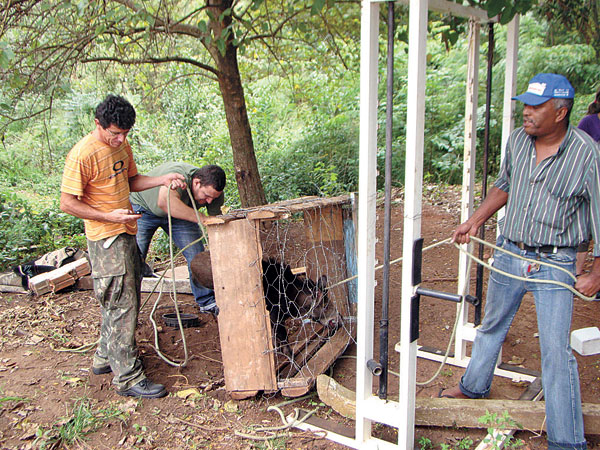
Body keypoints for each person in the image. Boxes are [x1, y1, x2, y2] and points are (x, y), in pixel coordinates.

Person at [439, 74, 600, 450]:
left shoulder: (588, 153)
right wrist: (475, 220)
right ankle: (473, 387)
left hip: (555, 261)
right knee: (491, 325)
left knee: (556, 353)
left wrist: (596, 272)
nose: (526, 112)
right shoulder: (517, 141)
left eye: (535, 106)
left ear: (560, 113)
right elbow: (505, 184)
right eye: (525, 104)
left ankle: (567, 442)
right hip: (510, 250)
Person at [60, 94, 187, 399]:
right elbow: (67, 203)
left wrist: (162, 179)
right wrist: (108, 215)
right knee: (122, 303)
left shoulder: (122, 147)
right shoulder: (83, 154)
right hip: (106, 236)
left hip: (126, 228)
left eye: (125, 134)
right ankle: (128, 377)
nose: (119, 139)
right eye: (114, 133)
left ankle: (106, 357)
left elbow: (131, 180)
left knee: (123, 296)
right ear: (98, 124)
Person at [129, 162, 225, 315]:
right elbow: (164, 203)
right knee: (133, 259)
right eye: (206, 196)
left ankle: (206, 301)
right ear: (196, 182)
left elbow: (215, 225)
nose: (209, 202)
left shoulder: (215, 196)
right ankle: (129, 307)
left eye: (213, 198)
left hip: (180, 215)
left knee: (197, 255)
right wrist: (202, 218)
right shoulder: (179, 178)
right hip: (144, 209)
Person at [575, 87, 600, 275]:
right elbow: (576, 151)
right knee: (584, 229)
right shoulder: (588, 122)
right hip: (589, 181)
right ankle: (576, 272)